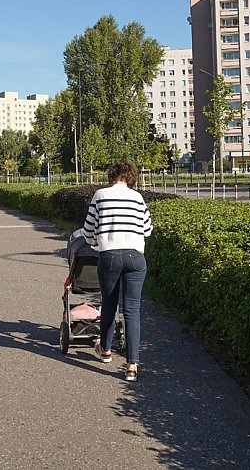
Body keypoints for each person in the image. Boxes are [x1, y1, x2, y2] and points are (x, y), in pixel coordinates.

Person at [82, 161, 152, 382]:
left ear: (111, 176)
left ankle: (105, 351)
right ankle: (132, 365)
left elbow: (88, 230)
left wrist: (95, 243)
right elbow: (147, 230)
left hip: (109, 256)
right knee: (132, 310)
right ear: (131, 178)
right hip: (135, 257)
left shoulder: (100, 195)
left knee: (109, 305)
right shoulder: (138, 198)